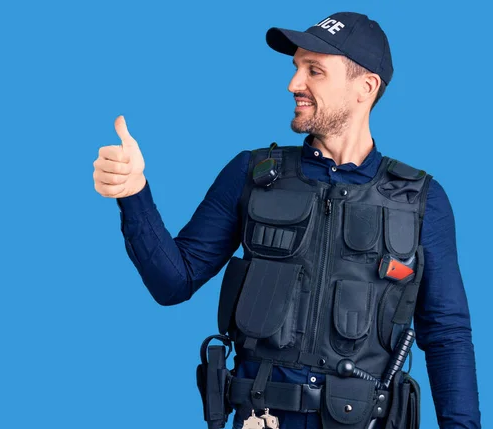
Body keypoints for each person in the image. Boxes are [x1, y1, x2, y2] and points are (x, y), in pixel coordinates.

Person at [93, 11, 481, 429]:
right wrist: (134, 193)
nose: (294, 84)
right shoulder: (252, 174)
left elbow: (447, 337)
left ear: (364, 88)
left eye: (314, 70)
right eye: (297, 68)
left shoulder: (420, 200)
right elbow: (174, 281)